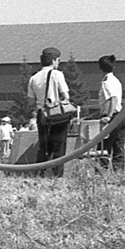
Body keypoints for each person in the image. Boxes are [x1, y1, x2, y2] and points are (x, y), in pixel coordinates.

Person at [27, 46, 73, 178]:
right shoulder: (57, 74)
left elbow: (31, 102)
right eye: (58, 60)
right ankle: (57, 175)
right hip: (57, 114)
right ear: (53, 60)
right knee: (59, 145)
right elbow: (66, 96)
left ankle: (40, 174)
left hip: (42, 114)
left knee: (44, 145)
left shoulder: (34, 78)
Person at [97, 54, 125, 171]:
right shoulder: (116, 80)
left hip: (112, 117)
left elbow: (113, 99)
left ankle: (101, 172)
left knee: (103, 147)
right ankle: (119, 173)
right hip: (121, 116)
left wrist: (108, 116)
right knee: (118, 147)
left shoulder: (106, 82)